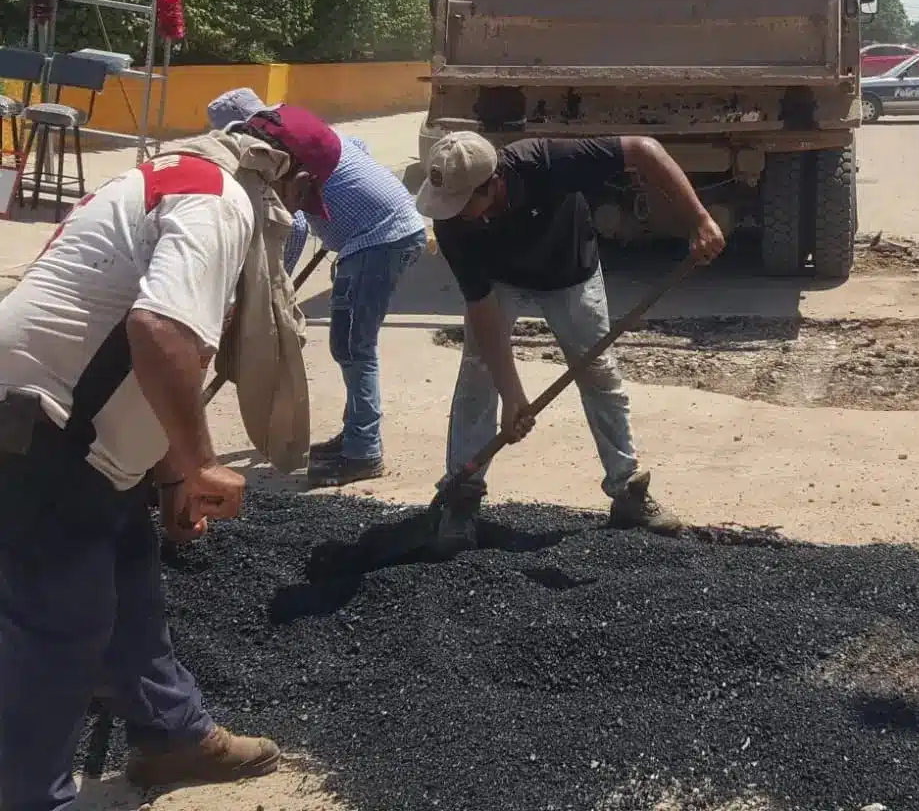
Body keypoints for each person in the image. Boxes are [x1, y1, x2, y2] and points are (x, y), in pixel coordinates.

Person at [0, 107, 338, 810]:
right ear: (293, 179)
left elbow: (129, 345)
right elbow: (157, 333)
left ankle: (171, 733)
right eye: (308, 197)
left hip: (80, 432)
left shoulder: (167, 179)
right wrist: (200, 460)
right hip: (46, 432)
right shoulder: (217, 204)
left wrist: (169, 474)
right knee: (61, 627)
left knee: (129, 569)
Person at [415, 132, 724, 546]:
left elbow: (643, 149)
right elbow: (483, 310)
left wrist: (699, 220)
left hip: (568, 271)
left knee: (598, 372)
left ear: (493, 183)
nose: (454, 214)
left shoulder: (546, 161)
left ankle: (628, 490)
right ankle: (461, 499)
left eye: (463, 203)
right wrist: (513, 396)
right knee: (478, 373)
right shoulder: (453, 222)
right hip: (500, 279)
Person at [207, 90, 428, 487]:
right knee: (351, 344)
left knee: (352, 346)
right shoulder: (303, 130)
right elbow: (358, 148)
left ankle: (363, 452)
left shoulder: (277, 151)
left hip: (378, 237)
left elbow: (290, 224)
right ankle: (356, 435)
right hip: (388, 226)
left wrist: (276, 290)